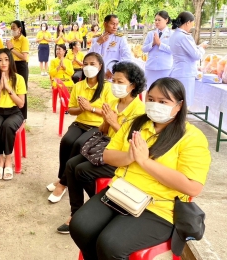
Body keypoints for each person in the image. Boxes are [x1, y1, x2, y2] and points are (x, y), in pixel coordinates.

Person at [69, 77, 211, 260]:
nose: (154, 105)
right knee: (80, 226)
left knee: (110, 244)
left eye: (163, 101)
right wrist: (129, 156)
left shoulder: (191, 137)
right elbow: (107, 155)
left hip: (160, 206)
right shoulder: (135, 124)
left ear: (179, 105)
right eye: (151, 99)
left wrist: (145, 162)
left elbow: (193, 187)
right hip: (121, 192)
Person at [58, 61, 146, 234]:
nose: (115, 85)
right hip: (106, 147)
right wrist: (106, 121)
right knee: (71, 165)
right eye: (114, 80)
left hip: (123, 156)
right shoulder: (114, 101)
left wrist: (114, 122)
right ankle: (76, 213)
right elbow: (104, 131)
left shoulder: (139, 110)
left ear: (133, 85)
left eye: (120, 82)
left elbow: (134, 142)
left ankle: (102, 208)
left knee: (82, 171)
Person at [47, 52, 116, 203]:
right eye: (86, 64)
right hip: (80, 123)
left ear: (100, 66)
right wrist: (81, 109)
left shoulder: (107, 88)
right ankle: (62, 178)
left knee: (79, 144)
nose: (88, 67)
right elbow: (70, 110)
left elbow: (111, 113)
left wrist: (91, 108)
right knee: (67, 141)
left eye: (92, 64)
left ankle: (63, 184)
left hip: (98, 127)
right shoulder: (78, 85)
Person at [0, 49, 26, 181]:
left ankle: (8, 160)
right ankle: (0, 160)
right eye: (0, 60)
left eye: (6, 59)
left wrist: (9, 88)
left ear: (10, 61)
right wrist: (0, 87)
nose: (3, 63)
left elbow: (21, 104)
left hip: (14, 111)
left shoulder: (19, 79)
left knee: (8, 126)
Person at [169, 11, 207, 107]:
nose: (192, 26)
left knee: (176, 101)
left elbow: (186, 51)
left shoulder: (174, 35)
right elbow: (196, 55)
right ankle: (182, 122)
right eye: (192, 23)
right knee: (185, 103)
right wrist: (202, 48)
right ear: (188, 22)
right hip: (185, 73)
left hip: (177, 70)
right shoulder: (184, 37)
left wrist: (198, 47)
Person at [89, 14, 133, 80]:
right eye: (112, 24)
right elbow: (89, 56)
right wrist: (98, 43)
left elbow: (127, 57)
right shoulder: (96, 38)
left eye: (117, 24)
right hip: (96, 75)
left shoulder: (120, 38)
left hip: (112, 76)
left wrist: (113, 69)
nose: (115, 27)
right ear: (105, 24)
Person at [141, 11, 173, 88]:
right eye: (155, 20)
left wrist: (159, 44)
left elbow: (173, 50)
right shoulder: (150, 34)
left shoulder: (171, 34)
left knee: (164, 91)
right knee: (150, 89)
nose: (157, 22)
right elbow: (144, 49)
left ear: (166, 20)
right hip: (151, 67)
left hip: (165, 68)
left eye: (159, 20)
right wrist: (153, 43)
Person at [6, 20, 29, 119]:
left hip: (21, 66)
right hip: (12, 65)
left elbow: (24, 57)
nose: (12, 30)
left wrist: (12, 49)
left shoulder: (24, 40)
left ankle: (23, 116)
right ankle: (14, 114)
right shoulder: (11, 40)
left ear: (19, 29)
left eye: (14, 28)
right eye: (11, 28)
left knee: (21, 90)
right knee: (12, 89)